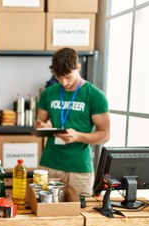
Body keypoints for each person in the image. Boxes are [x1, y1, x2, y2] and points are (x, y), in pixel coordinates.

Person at [35, 47, 110, 195]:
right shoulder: (49, 93)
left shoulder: (94, 96)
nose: (63, 82)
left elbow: (105, 135)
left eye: (68, 77)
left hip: (80, 169)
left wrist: (78, 136)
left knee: (81, 214)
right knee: (45, 211)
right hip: (49, 165)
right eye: (58, 77)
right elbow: (38, 124)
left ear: (78, 67)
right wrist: (43, 126)